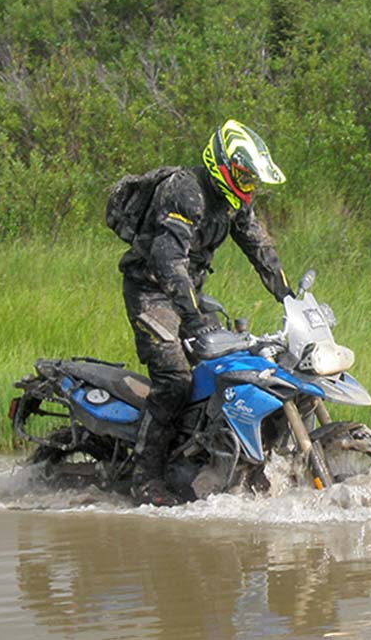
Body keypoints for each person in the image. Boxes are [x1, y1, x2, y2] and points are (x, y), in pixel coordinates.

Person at [117, 119, 293, 506]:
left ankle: (206, 459)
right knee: (175, 381)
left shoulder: (234, 202)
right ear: (221, 166)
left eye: (251, 179)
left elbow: (260, 248)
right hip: (151, 291)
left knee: (226, 370)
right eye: (243, 176)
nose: (248, 186)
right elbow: (168, 261)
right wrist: (194, 321)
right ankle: (145, 478)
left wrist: (289, 297)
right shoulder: (185, 191)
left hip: (187, 293)